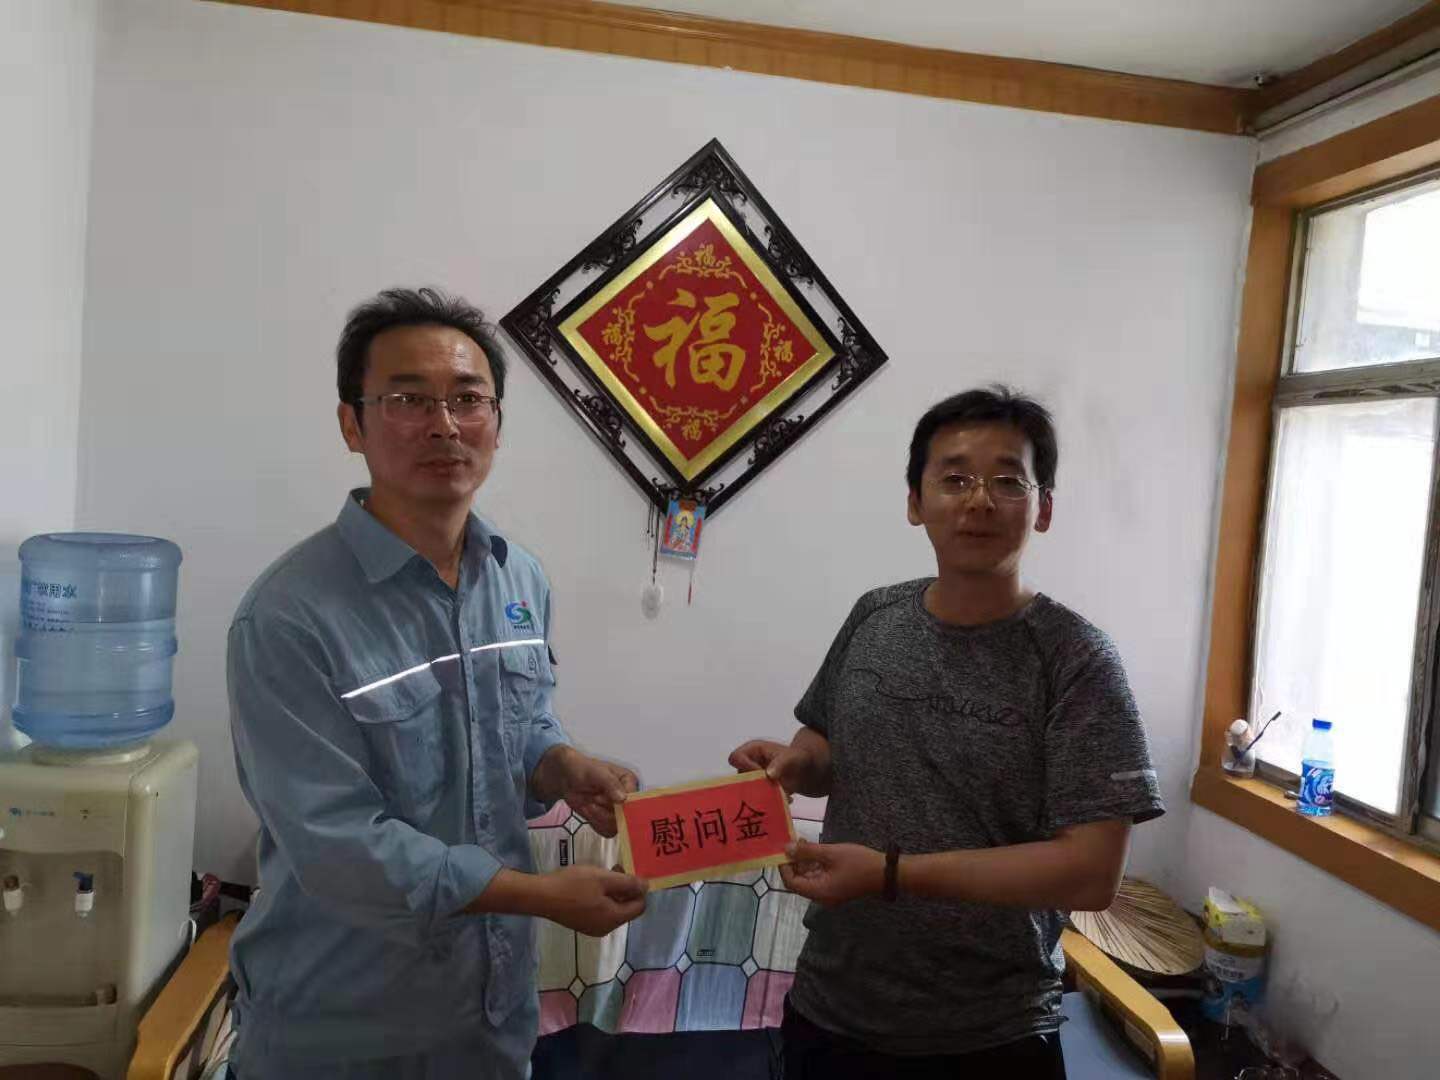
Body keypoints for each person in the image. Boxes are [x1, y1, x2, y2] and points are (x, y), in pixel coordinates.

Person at [226, 288, 647, 1079]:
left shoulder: (518, 578)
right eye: (408, 399)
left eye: (467, 399)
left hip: (492, 1016)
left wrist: (561, 765)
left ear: (496, 423)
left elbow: (520, 722)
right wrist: (537, 896)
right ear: (352, 424)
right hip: (345, 1029)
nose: (444, 424)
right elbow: (337, 844)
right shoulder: (287, 616)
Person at [730, 386, 1164, 1079]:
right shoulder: (876, 615)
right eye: (955, 479)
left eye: (1007, 481)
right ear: (915, 501)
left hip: (991, 1035)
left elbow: (1090, 874)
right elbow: (826, 738)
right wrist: (797, 764)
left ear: (1044, 508)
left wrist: (891, 874)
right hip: (832, 1007)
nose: (979, 501)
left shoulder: (1077, 660)